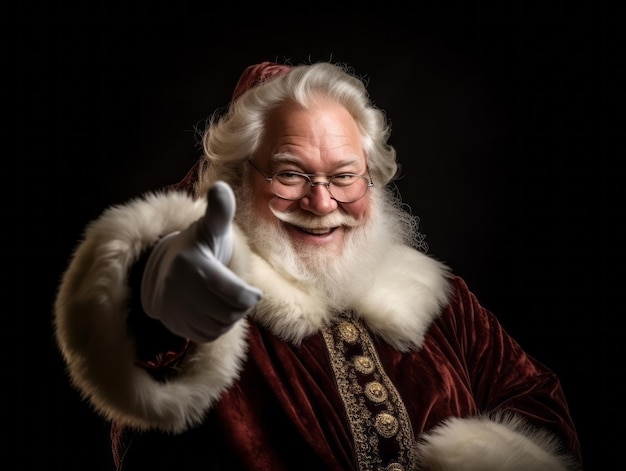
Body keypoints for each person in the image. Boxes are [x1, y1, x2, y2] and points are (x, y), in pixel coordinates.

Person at [54, 60, 583, 470]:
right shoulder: (207, 287)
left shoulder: (443, 301)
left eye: (344, 176)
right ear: (238, 180)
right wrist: (151, 296)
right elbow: (135, 348)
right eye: (290, 174)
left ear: (371, 178)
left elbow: (534, 400)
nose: (322, 202)